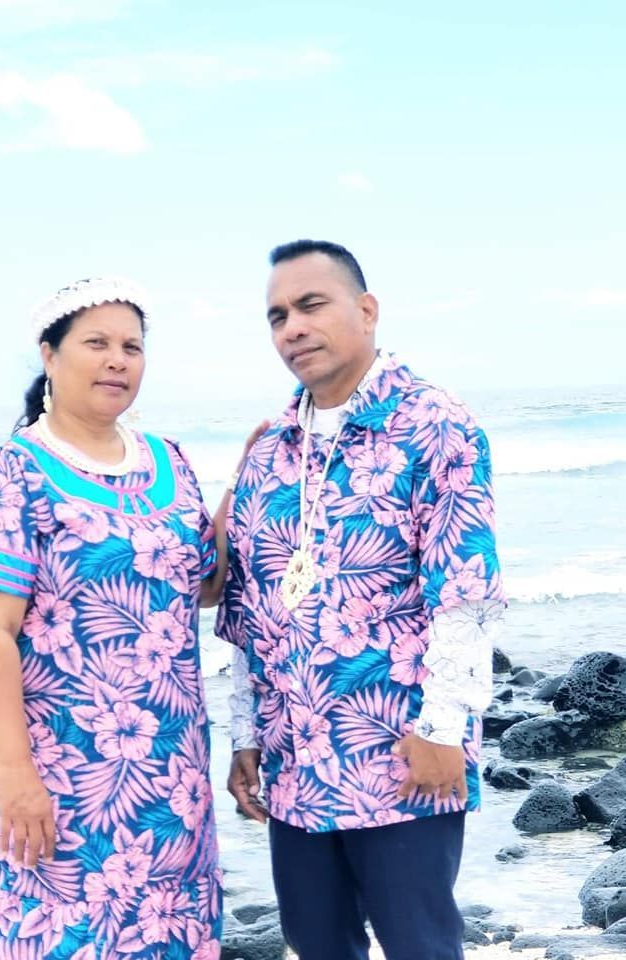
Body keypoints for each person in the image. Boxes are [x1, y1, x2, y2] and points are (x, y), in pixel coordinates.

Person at [216, 241, 506, 960]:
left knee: (420, 946)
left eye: (311, 305)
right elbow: (250, 609)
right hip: (294, 761)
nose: (293, 328)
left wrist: (443, 729)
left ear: (367, 311)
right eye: (278, 316)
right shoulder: (270, 450)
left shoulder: (435, 423)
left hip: (401, 754)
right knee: (316, 945)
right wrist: (246, 735)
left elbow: (465, 590)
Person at [0, 277, 226, 960]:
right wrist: (16, 776)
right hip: (66, 775)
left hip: (174, 773)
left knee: (172, 932)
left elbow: (203, 586)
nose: (117, 360)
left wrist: (252, 477)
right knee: (59, 935)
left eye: (132, 346)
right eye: (96, 343)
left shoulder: (170, 460)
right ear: (50, 354)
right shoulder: (13, 472)